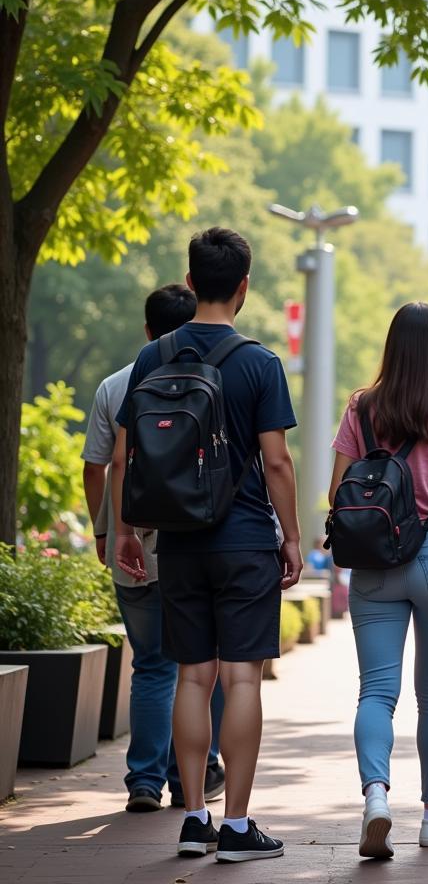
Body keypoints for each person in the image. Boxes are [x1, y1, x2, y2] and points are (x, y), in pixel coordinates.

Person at [111, 227, 302, 863]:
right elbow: (277, 463)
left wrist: (130, 531)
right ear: (244, 285)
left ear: (190, 282)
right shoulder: (260, 362)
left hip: (180, 541)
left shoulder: (151, 358)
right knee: (242, 679)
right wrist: (293, 538)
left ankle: (195, 818)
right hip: (245, 541)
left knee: (191, 678)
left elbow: (130, 455)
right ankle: (239, 827)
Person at [329, 302, 428, 859]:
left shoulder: (362, 408)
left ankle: (375, 798)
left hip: (375, 564)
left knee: (376, 691)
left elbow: (335, 491)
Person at [82, 285, 226, 813]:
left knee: (151, 666)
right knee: (204, 662)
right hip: (196, 543)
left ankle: (143, 780)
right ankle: (195, 772)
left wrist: (106, 530)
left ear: (147, 331)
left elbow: (99, 465)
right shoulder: (216, 378)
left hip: (133, 542)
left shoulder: (115, 385)